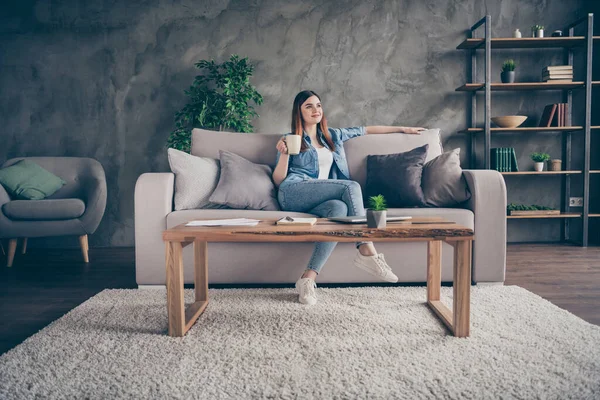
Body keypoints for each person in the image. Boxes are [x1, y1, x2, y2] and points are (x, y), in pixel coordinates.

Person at [273, 90, 425, 305]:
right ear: (299, 111)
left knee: (338, 210)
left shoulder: (333, 136)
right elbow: (279, 180)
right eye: (309, 106)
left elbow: (368, 129)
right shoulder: (290, 139)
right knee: (351, 186)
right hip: (293, 192)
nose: (316, 110)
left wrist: (402, 128)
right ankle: (366, 248)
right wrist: (285, 154)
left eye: (318, 105)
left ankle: (307, 279)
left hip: (322, 198)